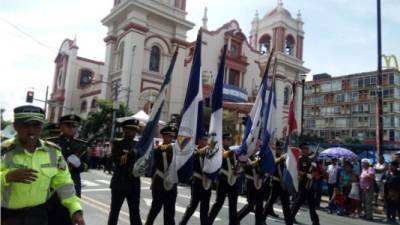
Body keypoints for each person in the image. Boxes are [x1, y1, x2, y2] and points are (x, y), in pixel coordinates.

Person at [1, 105, 85, 225]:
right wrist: (7, 177)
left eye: (36, 125)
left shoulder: (53, 151)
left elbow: (64, 183)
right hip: (7, 216)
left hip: (39, 216)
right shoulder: (3, 150)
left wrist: (75, 209)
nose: (31, 130)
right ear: (15, 126)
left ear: (41, 127)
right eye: (25, 125)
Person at [47, 114, 89, 225]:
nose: (71, 128)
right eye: (68, 125)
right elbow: (49, 165)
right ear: (61, 127)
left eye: (74, 126)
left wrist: (79, 165)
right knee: (51, 218)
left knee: (69, 219)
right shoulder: (51, 144)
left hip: (73, 186)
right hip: (53, 187)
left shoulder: (81, 145)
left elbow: (87, 166)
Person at [107, 118, 142, 225]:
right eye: (130, 130)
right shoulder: (117, 143)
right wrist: (131, 154)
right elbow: (118, 161)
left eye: (135, 130)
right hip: (120, 183)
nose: (132, 132)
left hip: (134, 183)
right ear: (124, 130)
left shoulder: (139, 144)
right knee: (115, 211)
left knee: (135, 212)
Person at [145, 126, 178, 225]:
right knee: (155, 209)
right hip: (159, 183)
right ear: (163, 136)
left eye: (171, 136)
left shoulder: (175, 149)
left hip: (171, 184)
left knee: (170, 212)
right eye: (168, 136)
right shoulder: (159, 149)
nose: (170, 138)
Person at [179, 132, 212, 225]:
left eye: (207, 140)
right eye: (204, 140)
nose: (206, 142)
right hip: (197, 182)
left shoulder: (208, 153)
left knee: (205, 208)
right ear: (199, 141)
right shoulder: (194, 151)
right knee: (193, 206)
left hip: (207, 183)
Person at [208, 133, 239, 225]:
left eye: (230, 139)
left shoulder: (231, 151)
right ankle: (208, 222)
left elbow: (234, 164)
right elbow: (220, 159)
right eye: (227, 139)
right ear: (222, 140)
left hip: (233, 181)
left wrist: (236, 170)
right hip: (223, 180)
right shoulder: (218, 149)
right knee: (219, 203)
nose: (229, 141)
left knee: (233, 205)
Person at [263, 141, 292, 225]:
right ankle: (262, 219)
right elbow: (274, 162)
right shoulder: (273, 157)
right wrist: (281, 158)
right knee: (270, 201)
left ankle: (289, 222)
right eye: (278, 149)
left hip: (284, 183)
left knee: (286, 204)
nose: (280, 150)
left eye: (281, 149)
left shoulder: (285, 158)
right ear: (275, 149)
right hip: (275, 183)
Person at [290, 143, 320, 225]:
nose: (307, 150)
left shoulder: (310, 159)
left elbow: (314, 170)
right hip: (303, 184)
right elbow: (296, 171)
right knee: (298, 203)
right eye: (305, 148)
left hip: (310, 184)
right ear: (301, 149)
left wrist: (314, 168)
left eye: (308, 148)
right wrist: (306, 174)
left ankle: (315, 222)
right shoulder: (299, 159)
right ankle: (290, 217)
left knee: (312, 204)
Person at [237, 153, 265, 225]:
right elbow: (244, 167)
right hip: (251, 185)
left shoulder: (258, 157)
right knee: (250, 205)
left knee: (259, 207)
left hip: (259, 184)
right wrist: (255, 162)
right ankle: (237, 218)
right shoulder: (245, 156)